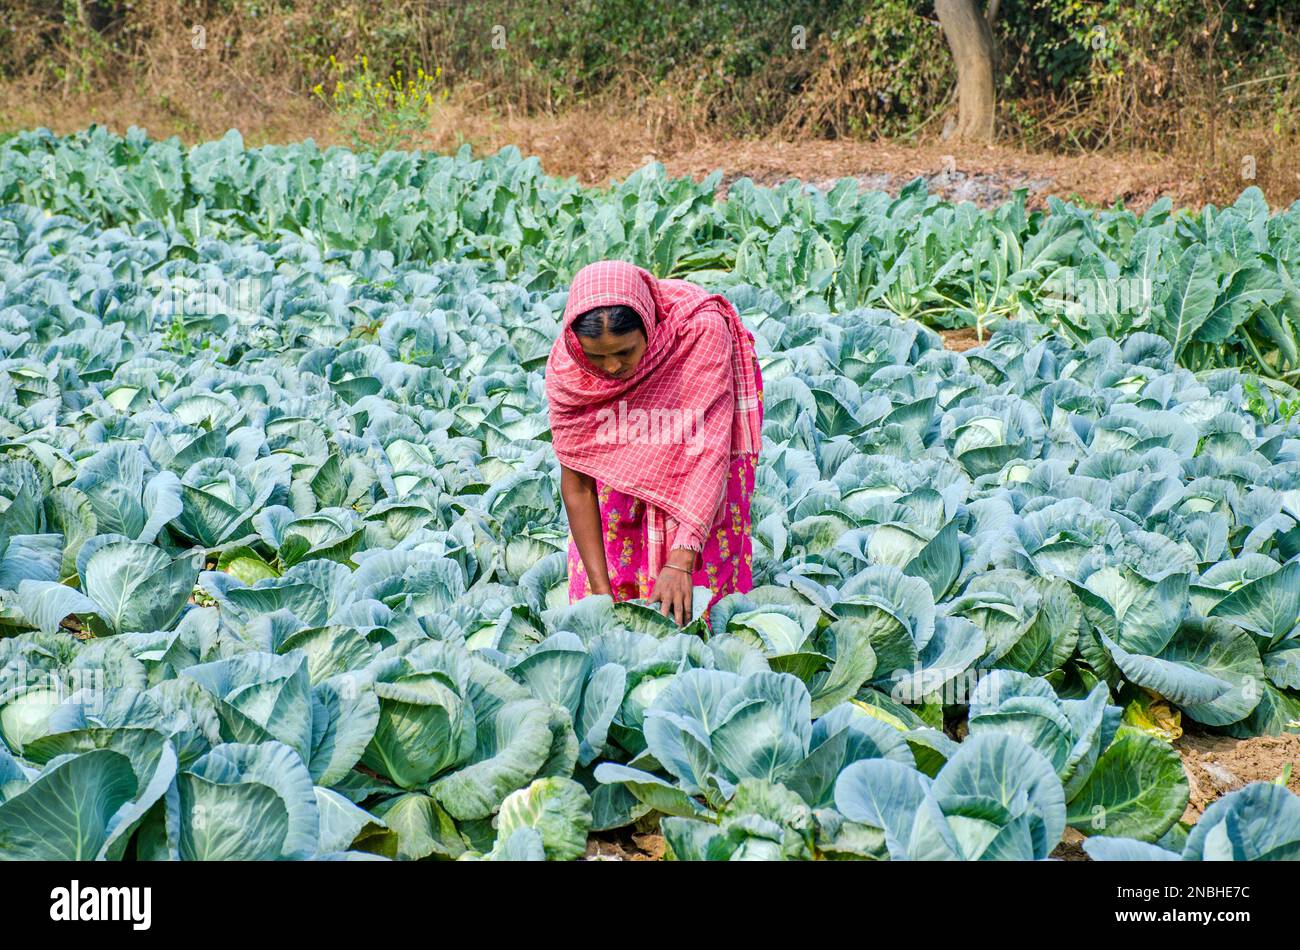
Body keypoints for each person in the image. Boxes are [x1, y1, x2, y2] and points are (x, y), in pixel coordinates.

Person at [545, 260, 764, 625]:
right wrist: (602, 595)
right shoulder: (570, 368)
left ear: (648, 325)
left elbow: (708, 451)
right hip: (618, 497)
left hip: (697, 490)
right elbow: (578, 485)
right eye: (596, 356)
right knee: (609, 621)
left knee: (701, 619)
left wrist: (681, 559)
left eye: (624, 352)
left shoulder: (696, 332)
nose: (612, 368)